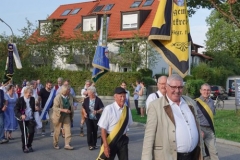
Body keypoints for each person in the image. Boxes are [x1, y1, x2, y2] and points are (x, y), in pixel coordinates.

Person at [141, 74, 203, 160]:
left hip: (192, 155)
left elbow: (197, 126)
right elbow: (149, 137)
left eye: (180, 87)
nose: (177, 90)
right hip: (169, 156)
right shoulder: (155, 106)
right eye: (173, 87)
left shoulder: (190, 102)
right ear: (166, 87)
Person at [97, 87, 133, 160]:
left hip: (122, 139)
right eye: (121, 96)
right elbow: (103, 129)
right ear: (115, 97)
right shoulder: (108, 109)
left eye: (124, 96)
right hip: (110, 139)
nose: (123, 98)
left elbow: (128, 124)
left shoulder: (127, 109)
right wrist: (106, 146)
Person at [195, 84, 219, 160]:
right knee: (201, 153)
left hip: (209, 130)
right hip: (200, 129)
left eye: (208, 90)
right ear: (200, 91)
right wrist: (198, 130)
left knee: (213, 152)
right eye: (204, 90)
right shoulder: (195, 102)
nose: (206, 92)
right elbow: (193, 118)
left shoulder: (212, 102)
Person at [52, 85, 74, 150]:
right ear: (65, 91)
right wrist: (63, 110)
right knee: (57, 131)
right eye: (68, 90)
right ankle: (55, 143)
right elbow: (54, 108)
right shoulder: (57, 97)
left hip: (66, 115)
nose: (70, 91)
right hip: (58, 115)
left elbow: (75, 99)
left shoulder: (69, 96)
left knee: (68, 129)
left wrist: (86, 98)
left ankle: (67, 144)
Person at [14, 87, 36, 153]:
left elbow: (33, 108)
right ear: (25, 93)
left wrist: (36, 109)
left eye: (31, 93)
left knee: (32, 132)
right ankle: (24, 147)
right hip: (22, 119)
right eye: (29, 93)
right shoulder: (20, 100)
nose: (30, 94)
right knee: (24, 133)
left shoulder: (32, 99)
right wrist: (21, 115)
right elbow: (16, 110)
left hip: (30, 118)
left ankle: (29, 145)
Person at [82, 86, 104, 150]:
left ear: (93, 93)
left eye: (89, 93)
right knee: (89, 131)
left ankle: (94, 144)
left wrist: (97, 111)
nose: (88, 94)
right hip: (88, 118)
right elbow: (83, 107)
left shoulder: (98, 100)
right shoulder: (86, 99)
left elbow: (102, 108)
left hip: (95, 118)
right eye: (88, 93)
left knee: (95, 131)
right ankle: (90, 144)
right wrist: (85, 113)